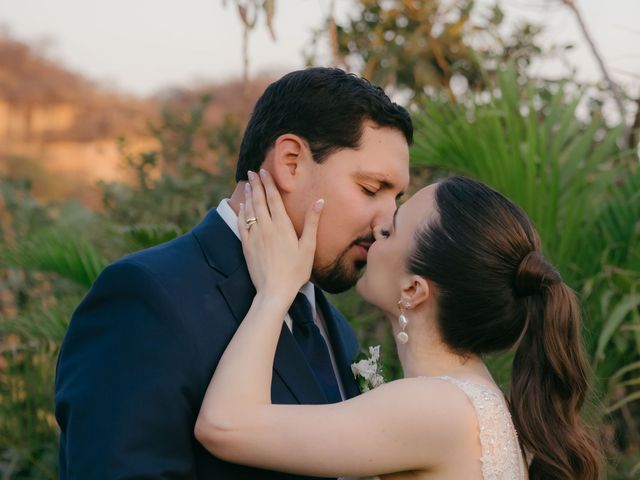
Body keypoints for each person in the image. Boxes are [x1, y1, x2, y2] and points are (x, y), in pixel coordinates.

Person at [54, 67, 412, 479]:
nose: (388, 221)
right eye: (371, 189)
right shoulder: (146, 297)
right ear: (291, 162)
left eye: (396, 198)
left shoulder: (337, 330)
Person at [195, 173, 602, 479]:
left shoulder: (435, 408)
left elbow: (224, 425)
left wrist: (274, 291)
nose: (376, 228)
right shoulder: (476, 403)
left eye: (392, 230)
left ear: (413, 289)